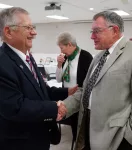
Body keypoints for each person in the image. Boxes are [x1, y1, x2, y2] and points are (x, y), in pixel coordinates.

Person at [62, 11, 132, 150]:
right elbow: (85, 91)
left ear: (114, 30)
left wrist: (130, 138)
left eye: (96, 31)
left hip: (117, 137)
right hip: (87, 127)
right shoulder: (98, 57)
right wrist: (64, 106)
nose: (92, 36)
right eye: (92, 31)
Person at [0, 7, 78, 150]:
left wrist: (67, 92)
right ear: (8, 32)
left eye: (33, 27)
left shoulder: (27, 57)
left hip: (39, 136)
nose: (34, 32)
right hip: (20, 142)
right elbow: (15, 107)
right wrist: (55, 107)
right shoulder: (2, 62)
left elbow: (41, 90)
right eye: (28, 28)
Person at [56, 32, 93, 148]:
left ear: (70, 44)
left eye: (62, 47)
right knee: (73, 125)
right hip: (67, 97)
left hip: (80, 98)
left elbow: (90, 81)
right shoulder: (65, 58)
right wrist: (59, 64)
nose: (61, 51)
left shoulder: (85, 56)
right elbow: (58, 79)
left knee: (81, 127)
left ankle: (81, 145)